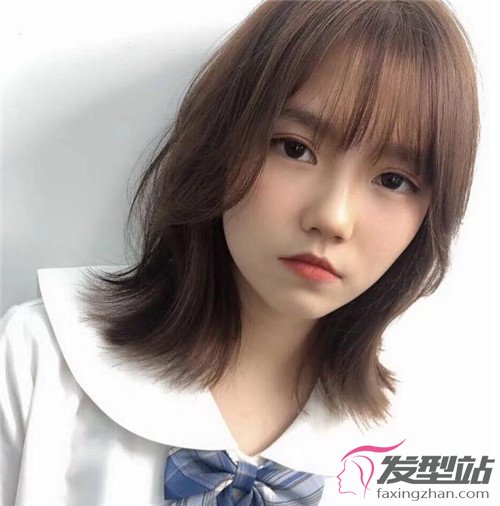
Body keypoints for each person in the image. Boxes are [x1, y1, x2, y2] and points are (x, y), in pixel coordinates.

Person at [1, 0, 480, 504]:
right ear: (226, 142)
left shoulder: (413, 453)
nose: (333, 217)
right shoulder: (41, 363)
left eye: (394, 180)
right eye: (294, 148)